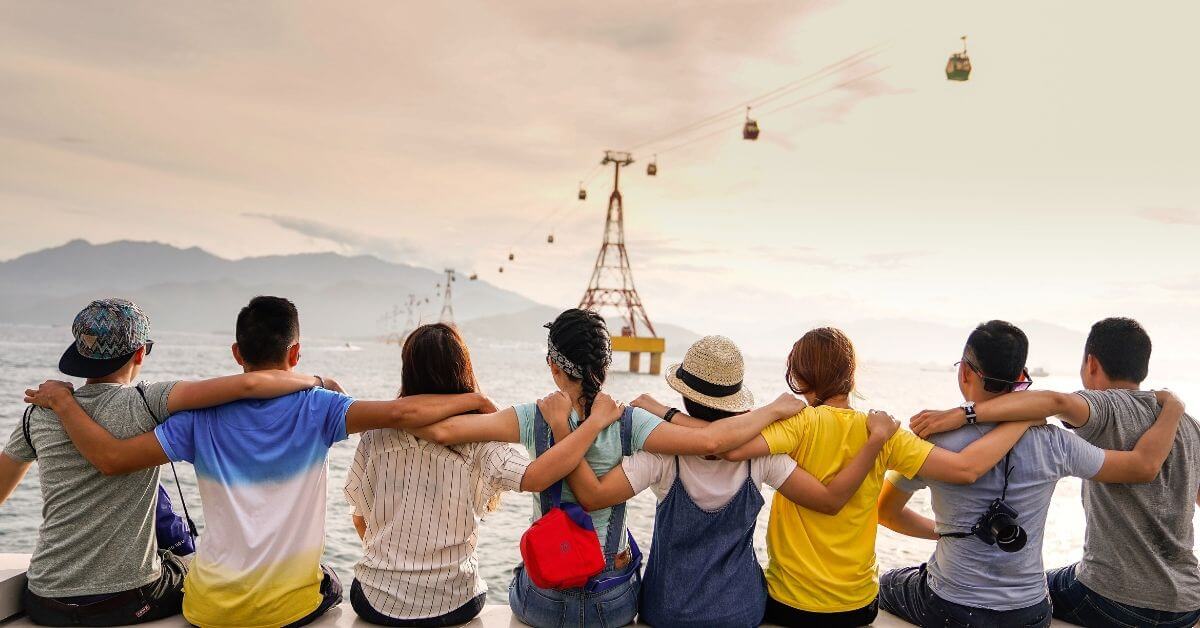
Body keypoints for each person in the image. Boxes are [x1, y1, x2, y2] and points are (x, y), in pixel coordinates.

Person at [24, 296, 499, 628]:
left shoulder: (197, 418)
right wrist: (477, 401)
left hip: (207, 609)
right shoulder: (322, 408)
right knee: (329, 580)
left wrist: (65, 406)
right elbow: (403, 413)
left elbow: (114, 457)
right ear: (295, 352)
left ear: (236, 353)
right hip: (287, 611)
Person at [410, 309, 810, 628]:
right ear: (606, 364)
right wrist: (772, 410)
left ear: (554, 365)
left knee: (522, 571)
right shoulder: (631, 422)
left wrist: (476, 399)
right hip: (612, 602)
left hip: (545, 601)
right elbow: (711, 441)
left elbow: (442, 431)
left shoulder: (533, 416)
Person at [0, 298, 319, 626]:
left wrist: (63, 400)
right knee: (190, 568)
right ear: (140, 353)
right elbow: (250, 385)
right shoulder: (146, 402)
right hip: (123, 602)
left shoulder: (38, 414)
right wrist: (317, 382)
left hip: (44, 601)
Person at [556, 335, 903, 628]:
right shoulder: (763, 457)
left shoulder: (663, 455)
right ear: (736, 402)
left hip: (666, 610)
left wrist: (563, 431)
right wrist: (873, 442)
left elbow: (593, 495)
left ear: (686, 396)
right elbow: (828, 501)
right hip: (741, 610)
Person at [718, 327, 1042, 628]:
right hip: (858, 607)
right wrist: (1020, 420)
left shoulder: (797, 424)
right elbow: (964, 469)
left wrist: (771, 411)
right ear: (851, 375)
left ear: (799, 376)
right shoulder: (886, 433)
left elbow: (726, 445)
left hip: (791, 604)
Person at [878, 320, 1187, 628]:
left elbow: (886, 512)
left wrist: (950, 531)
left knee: (889, 581)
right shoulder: (1056, 442)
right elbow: (1138, 466)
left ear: (965, 372)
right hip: (1030, 613)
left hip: (952, 607)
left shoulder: (931, 439)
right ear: (1021, 379)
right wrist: (1173, 407)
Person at [343, 323, 624, 627]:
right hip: (455, 602)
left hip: (376, 600)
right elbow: (535, 476)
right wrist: (592, 424)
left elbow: (360, 518)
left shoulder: (376, 436)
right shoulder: (482, 441)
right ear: (462, 370)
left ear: (407, 371)